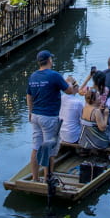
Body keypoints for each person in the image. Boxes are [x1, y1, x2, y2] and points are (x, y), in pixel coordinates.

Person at [26, 50, 75, 182]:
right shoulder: (54, 75)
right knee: (50, 148)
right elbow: (69, 91)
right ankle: (48, 178)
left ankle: (35, 179)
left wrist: (30, 112)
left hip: (35, 115)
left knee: (36, 147)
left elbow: (29, 96)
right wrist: (69, 82)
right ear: (49, 60)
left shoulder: (33, 76)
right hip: (49, 117)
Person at [58, 74, 84, 146]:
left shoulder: (60, 99)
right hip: (73, 137)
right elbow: (83, 120)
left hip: (61, 134)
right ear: (74, 88)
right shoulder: (78, 102)